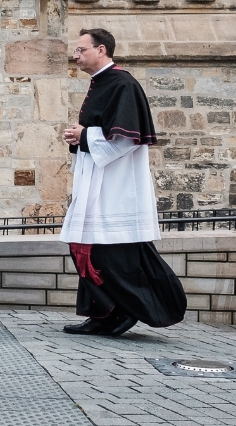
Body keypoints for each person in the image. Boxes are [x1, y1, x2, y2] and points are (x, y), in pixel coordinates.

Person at [61, 28, 187, 337]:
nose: (76, 56)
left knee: (97, 251)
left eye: (81, 50)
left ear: (101, 50)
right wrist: (79, 137)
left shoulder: (123, 84)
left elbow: (125, 141)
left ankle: (122, 311)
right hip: (96, 183)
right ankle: (102, 313)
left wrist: (84, 135)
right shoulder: (102, 83)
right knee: (82, 246)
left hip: (114, 188)